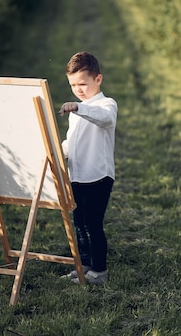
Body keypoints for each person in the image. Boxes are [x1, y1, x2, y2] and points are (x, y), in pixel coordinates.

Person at [59, 52, 117, 285]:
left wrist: (78, 108)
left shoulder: (106, 104)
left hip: (98, 176)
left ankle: (99, 271)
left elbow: (105, 119)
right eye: (73, 85)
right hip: (78, 176)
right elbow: (72, 142)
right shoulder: (78, 110)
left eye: (83, 83)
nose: (78, 89)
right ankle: (84, 266)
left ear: (98, 79)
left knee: (93, 224)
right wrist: (56, 149)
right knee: (80, 224)